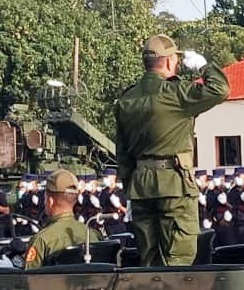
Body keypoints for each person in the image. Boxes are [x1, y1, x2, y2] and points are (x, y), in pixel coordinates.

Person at [114, 34, 230, 266]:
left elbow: (123, 154)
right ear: (168, 62)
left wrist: (131, 189)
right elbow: (220, 90)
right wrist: (203, 66)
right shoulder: (176, 93)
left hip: (140, 188)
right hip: (174, 185)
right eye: (175, 60)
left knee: (149, 259)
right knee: (178, 259)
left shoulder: (126, 99)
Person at [15, 170, 101, 269]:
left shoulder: (42, 240)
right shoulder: (94, 235)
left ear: (50, 201)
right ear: (75, 200)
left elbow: (29, 279)